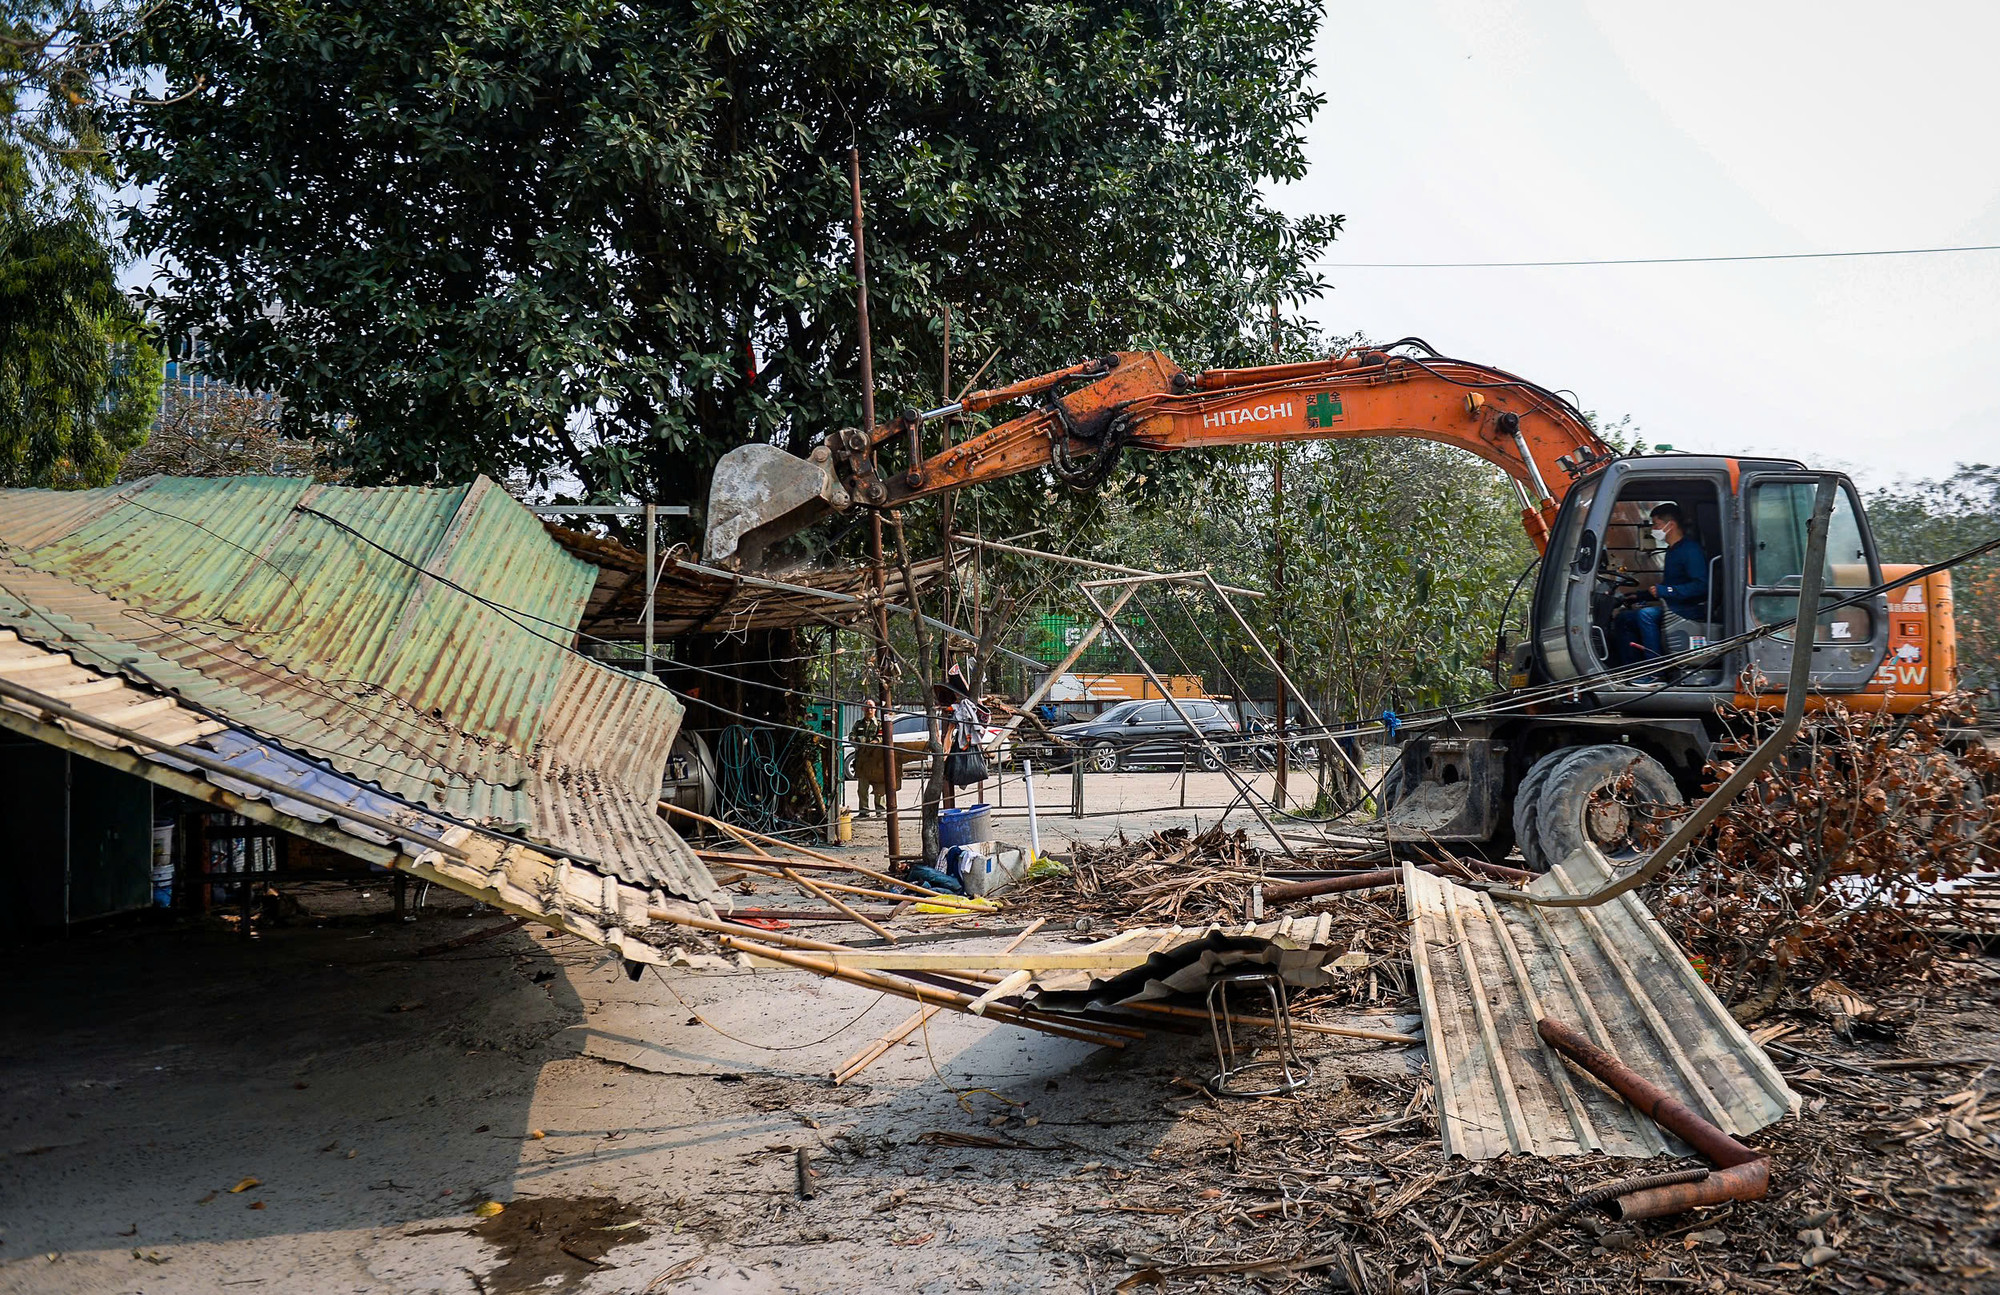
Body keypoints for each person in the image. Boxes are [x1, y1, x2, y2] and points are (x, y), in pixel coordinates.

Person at [1613, 503, 1708, 665]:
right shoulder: (1672, 551)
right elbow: (1668, 585)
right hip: (1674, 605)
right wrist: (1639, 596)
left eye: (1656, 525)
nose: (1653, 529)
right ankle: (1633, 667)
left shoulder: (1690, 550)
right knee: (1624, 618)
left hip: (1691, 608)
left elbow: (1701, 586)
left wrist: (1666, 591)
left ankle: (1656, 669)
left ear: (1670, 525)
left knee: (1646, 615)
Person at [847, 699, 885, 818]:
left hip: (876, 761)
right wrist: (857, 740)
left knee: (879, 788)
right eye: (866, 707)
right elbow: (851, 736)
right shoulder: (858, 724)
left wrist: (870, 742)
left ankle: (880, 811)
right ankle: (864, 811)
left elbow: (881, 737)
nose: (869, 709)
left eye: (871, 707)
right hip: (862, 761)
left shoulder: (879, 723)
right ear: (863, 709)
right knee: (862, 789)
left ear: (875, 709)